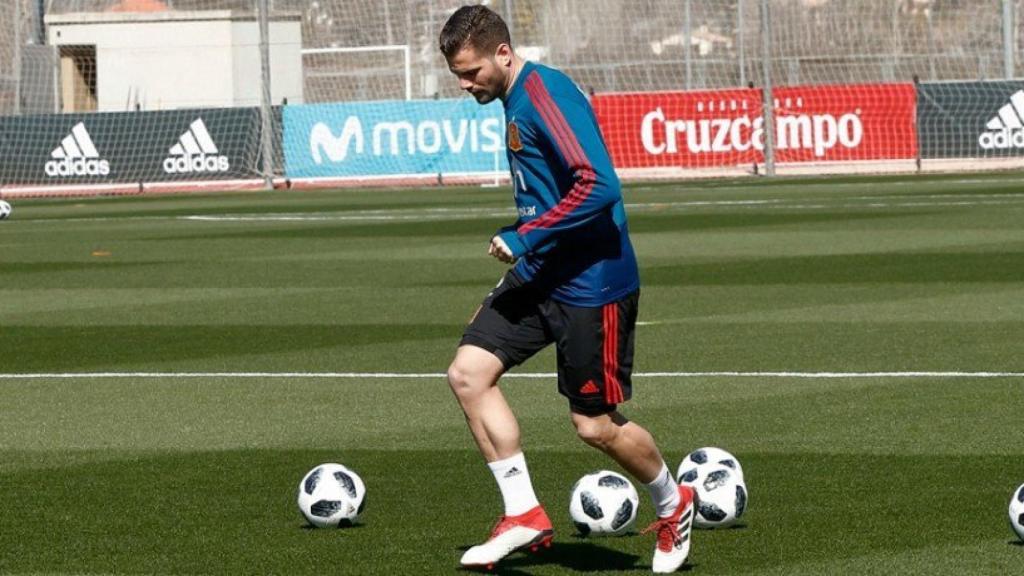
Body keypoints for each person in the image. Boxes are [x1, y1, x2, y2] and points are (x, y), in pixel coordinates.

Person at [440, 5, 695, 573]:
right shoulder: (512, 98)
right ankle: (523, 512)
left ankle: (674, 502)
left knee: (594, 425)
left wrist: (526, 235)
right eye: (457, 74)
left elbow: (600, 185)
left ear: (502, 53)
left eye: (471, 71)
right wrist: (529, 242)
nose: (464, 84)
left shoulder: (546, 94)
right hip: (541, 273)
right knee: (468, 373)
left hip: (591, 283)